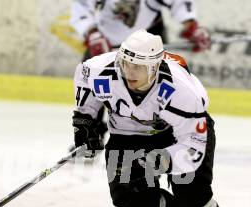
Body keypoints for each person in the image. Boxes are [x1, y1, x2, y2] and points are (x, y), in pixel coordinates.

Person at [71, 29, 235, 207]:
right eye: (126, 63)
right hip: (128, 136)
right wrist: (85, 122)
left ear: (155, 67)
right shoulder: (98, 70)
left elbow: (192, 146)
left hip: (176, 137)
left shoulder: (183, 92)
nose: (130, 72)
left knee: (191, 192)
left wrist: (158, 161)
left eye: (138, 66)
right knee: (131, 200)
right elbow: (85, 87)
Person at [70, 0, 211, 143]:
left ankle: (153, 136)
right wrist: (91, 32)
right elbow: (82, 4)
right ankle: (89, 138)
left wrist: (192, 26)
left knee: (154, 87)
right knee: (93, 84)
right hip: (106, 39)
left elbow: (178, 2)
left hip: (148, 40)